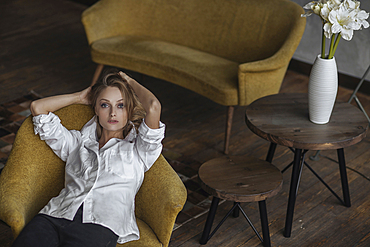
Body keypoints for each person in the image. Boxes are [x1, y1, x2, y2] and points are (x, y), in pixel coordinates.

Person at [12, 70, 165, 247]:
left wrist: (128, 81)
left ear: (129, 109)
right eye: (105, 105)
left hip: (100, 224)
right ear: (96, 109)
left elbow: (153, 106)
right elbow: (38, 108)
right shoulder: (76, 142)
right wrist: (79, 97)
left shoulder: (139, 150)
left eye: (121, 105)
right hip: (55, 215)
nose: (113, 113)